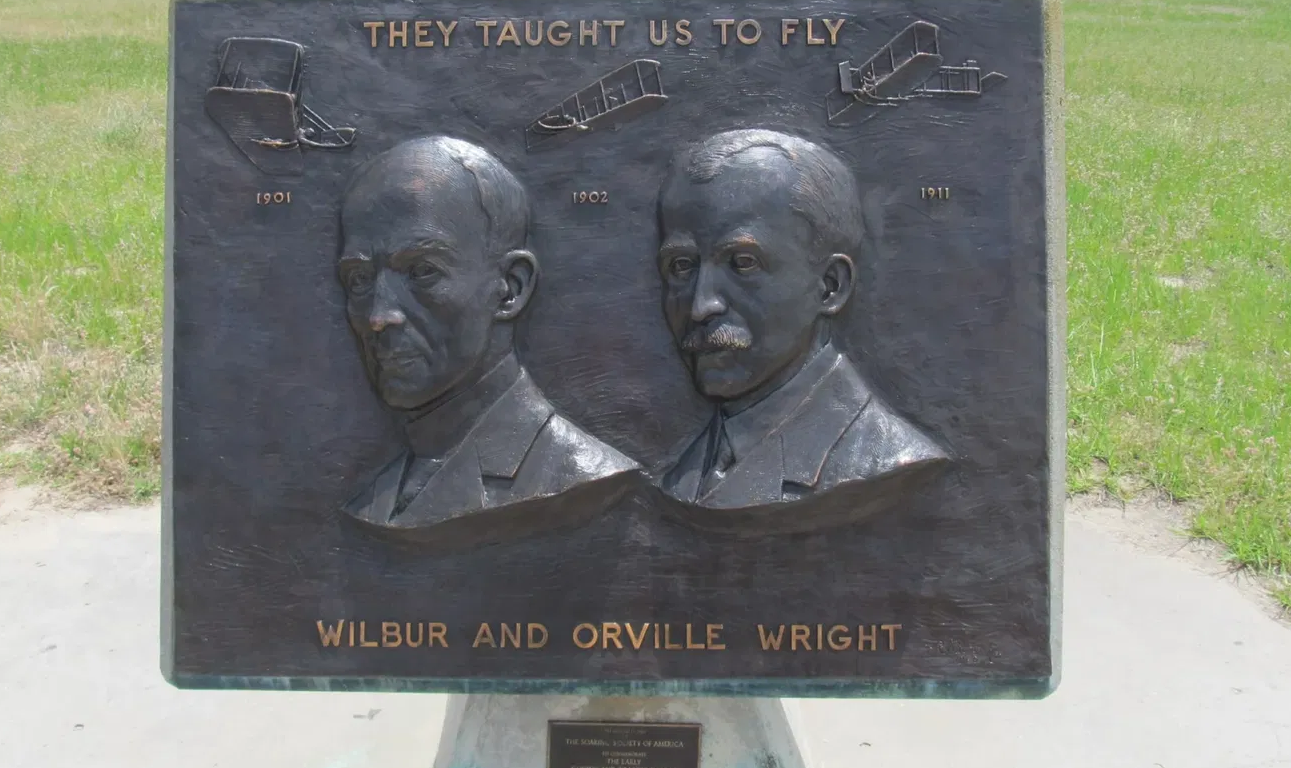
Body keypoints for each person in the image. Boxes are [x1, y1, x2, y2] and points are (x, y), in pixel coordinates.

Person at [337, 137, 637, 544]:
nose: (379, 316)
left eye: (423, 271)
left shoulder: (577, 477)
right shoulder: (372, 502)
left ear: (510, 288)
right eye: (359, 279)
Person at [654, 129, 945, 530]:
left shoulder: (889, 467)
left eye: (742, 263)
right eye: (681, 267)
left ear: (830, 286)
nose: (701, 306)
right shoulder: (678, 479)